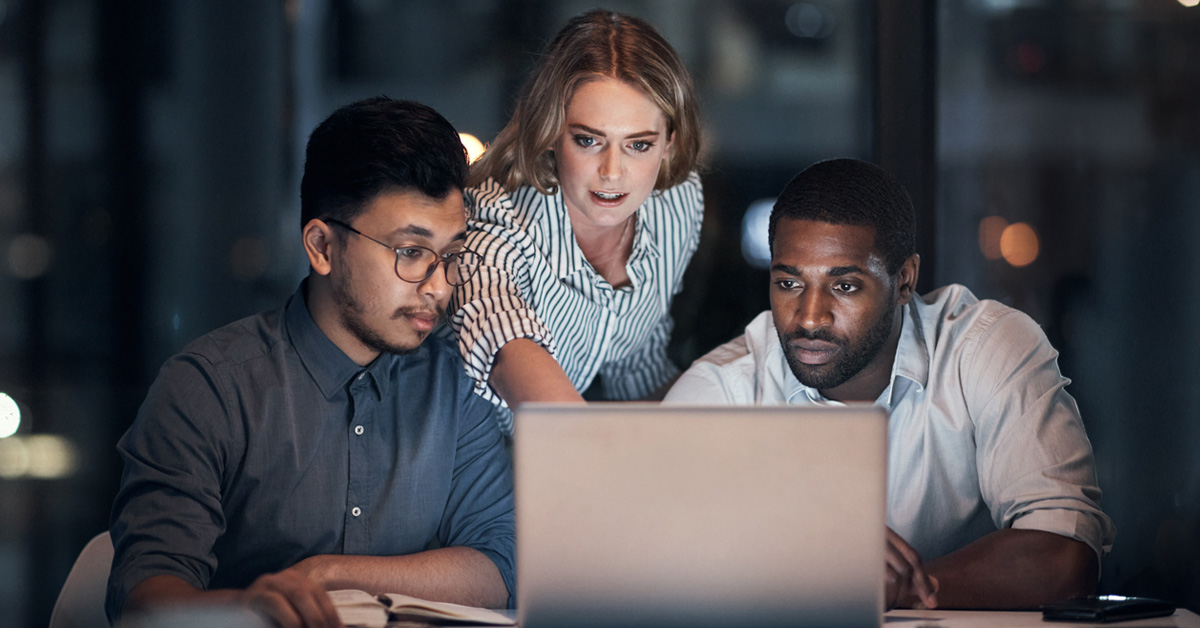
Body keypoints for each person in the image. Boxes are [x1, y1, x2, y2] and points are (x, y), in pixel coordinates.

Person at [107, 97, 515, 627]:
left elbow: (500, 563)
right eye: (410, 252)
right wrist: (252, 611)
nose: (438, 287)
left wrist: (327, 575)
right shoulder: (210, 389)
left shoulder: (456, 380)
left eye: (451, 255)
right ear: (322, 246)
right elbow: (143, 601)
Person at [664, 158, 1116, 610]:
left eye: (844, 287)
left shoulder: (984, 350)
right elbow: (647, 570)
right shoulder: (720, 392)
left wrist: (882, 589)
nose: (809, 317)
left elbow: (1066, 559)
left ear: (904, 281)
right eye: (788, 283)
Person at [452, 9, 705, 435]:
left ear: (669, 144)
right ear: (552, 130)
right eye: (588, 140)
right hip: (461, 463)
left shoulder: (675, 204)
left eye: (638, 145)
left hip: (567, 455)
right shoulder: (497, 220)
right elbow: (501, 337)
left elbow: (636, 368)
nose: (612, 171)